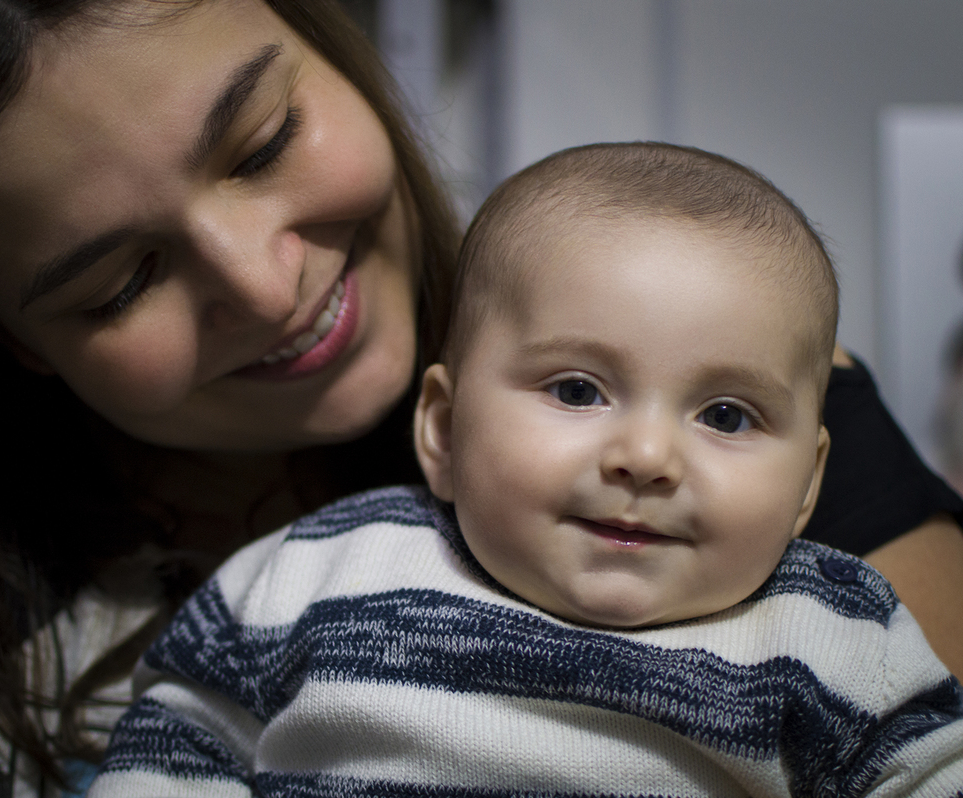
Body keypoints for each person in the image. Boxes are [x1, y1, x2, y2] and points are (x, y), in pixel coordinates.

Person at [0, 2, 961, 796]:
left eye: (263, 138)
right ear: (0, 333)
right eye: (122, 279)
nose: (265, 282)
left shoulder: (781, 514)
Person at [92, 143, 963, 797]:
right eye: (578, 389)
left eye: (726, 416)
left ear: (809, 483)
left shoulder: (836, 633)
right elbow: (184, 732)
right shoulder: (323, 568)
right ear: (441, 426)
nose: (647, 459)